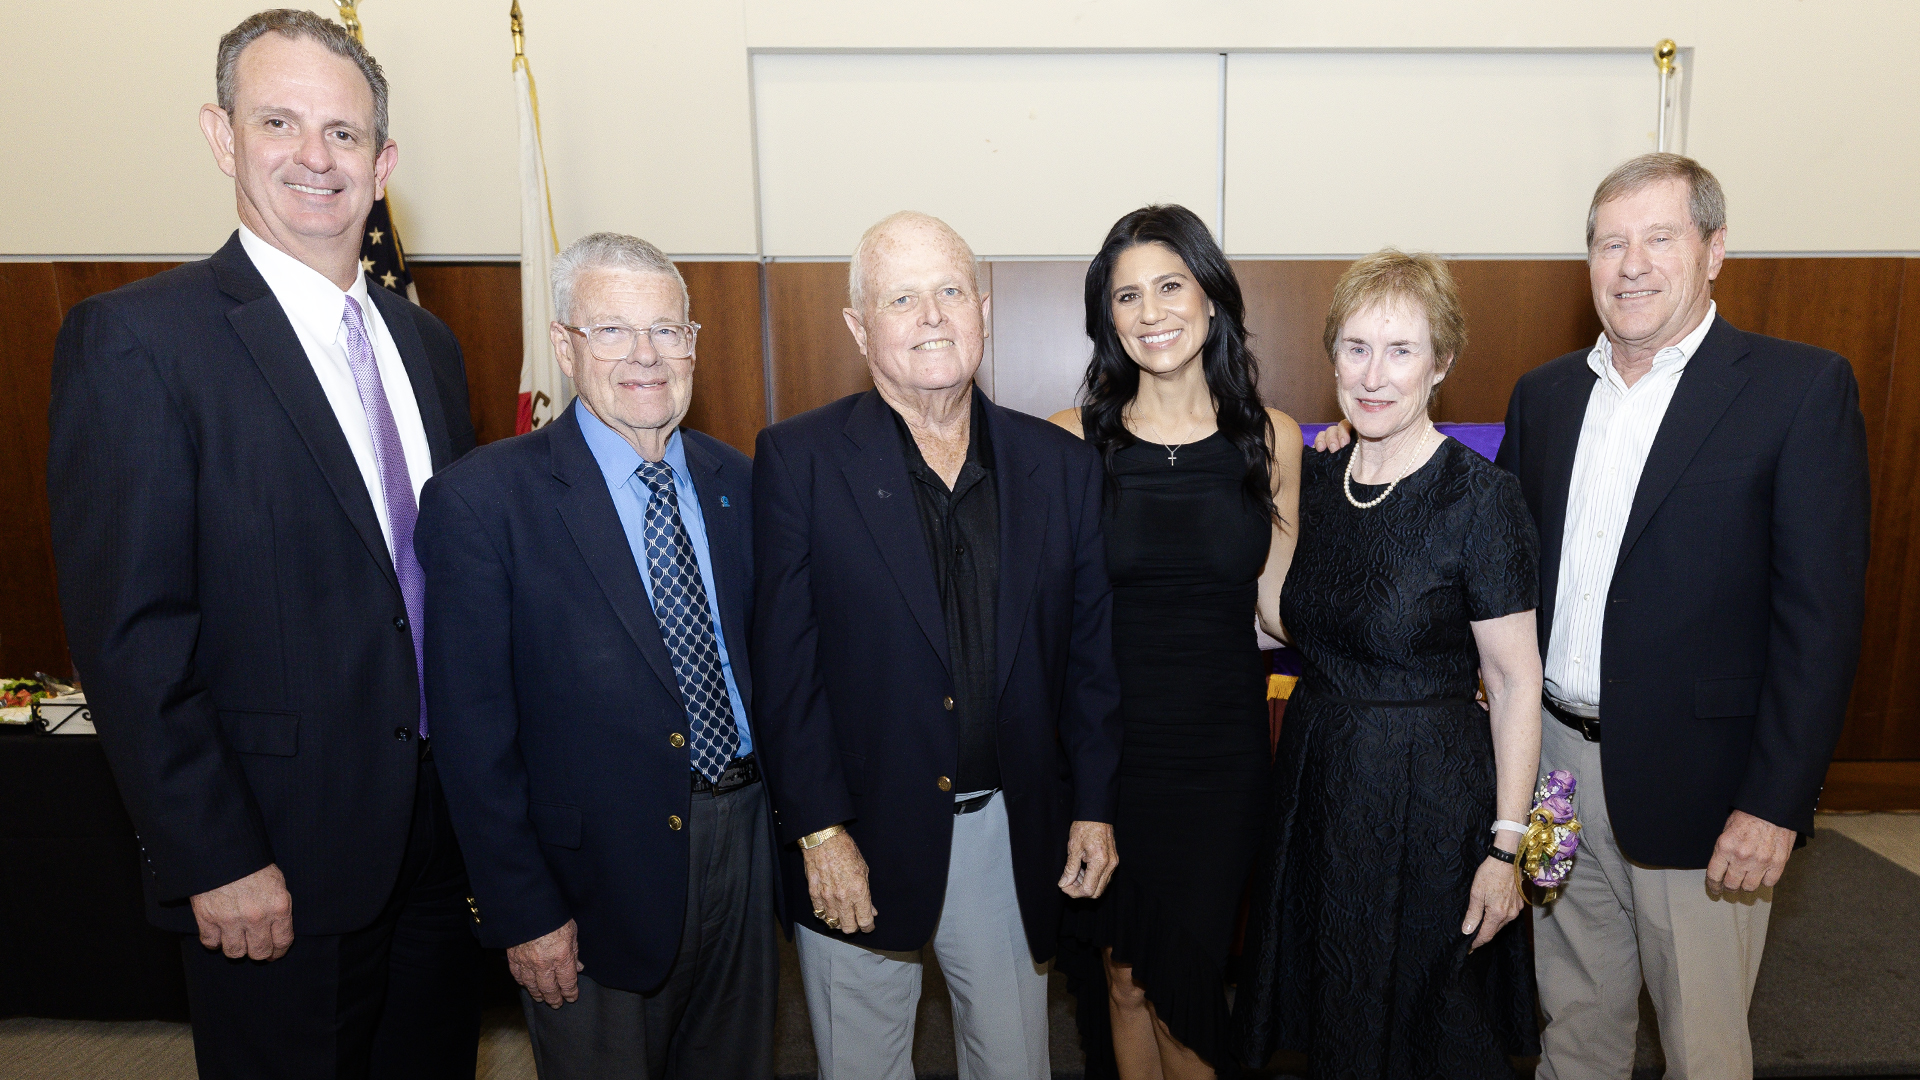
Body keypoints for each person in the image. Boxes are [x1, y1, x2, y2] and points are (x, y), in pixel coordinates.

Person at [46, 10, 480, 1077]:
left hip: (439, 844)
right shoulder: (141, 343)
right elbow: (133, 637)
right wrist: (216, 855)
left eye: (343, 134)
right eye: (278, 121)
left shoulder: (428, 346)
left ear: (383, 165)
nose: (313, 157)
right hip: (275, 859)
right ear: (220, 134)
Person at [1495, 154, 1871, 1080]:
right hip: (1553, 776)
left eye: (1659, 238)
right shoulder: (1544, 397)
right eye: (1610, 242)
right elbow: (1494, 562)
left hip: (1704, 789)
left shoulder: (1797, 390)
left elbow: (1817, 622)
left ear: (1714, 251)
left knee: (1703, 1045)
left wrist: (1775, 803)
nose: (1631, 264)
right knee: (1572, 1017)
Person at [752, 210, 1124, 1080]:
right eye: (902, 297)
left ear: (983, 308)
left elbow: (1091, 661)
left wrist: (1095, 805)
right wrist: (817, 833)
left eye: (951, 290)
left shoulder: (1061, 466)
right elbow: (784, 668)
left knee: (1016, 1064)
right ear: (859, 326)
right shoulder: (798, 461)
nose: (932, 315)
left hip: (1010, 828)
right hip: (858, 833)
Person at [417, 232, 777, 1079]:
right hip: (590, 881)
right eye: (613, 331)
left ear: (693, 343)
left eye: (666, 331)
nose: (646, 357)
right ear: (566, 346)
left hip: (747, 844)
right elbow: (472, 738)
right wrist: (523, 911)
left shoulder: (746, 484)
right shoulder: (484, 501)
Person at [1234, 250, 1544, 1078]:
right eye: (1356, 348)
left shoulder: (1482, 499)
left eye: (1401, 350)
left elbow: (1515, 682)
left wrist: (1504, 849)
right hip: (1320, 784)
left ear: (1441, 364)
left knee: (1426, 1031)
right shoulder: (1320, 476)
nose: (1374, 375)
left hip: (1432, 801)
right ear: (1332, 353)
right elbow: (1281, 613)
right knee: (1336, 1021)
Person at [1047, 204, 1299, 1080]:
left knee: (1188, 981)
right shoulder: (1072, 442)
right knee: (1122, 979)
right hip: (1111, 756)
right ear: (1106, 317)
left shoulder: (1272, 437)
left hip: (1221, 757)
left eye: (1169, 285)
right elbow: (1053, 618)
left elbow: (1278, 606)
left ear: (1211, 297)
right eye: (1126, 296)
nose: (1151, 311)